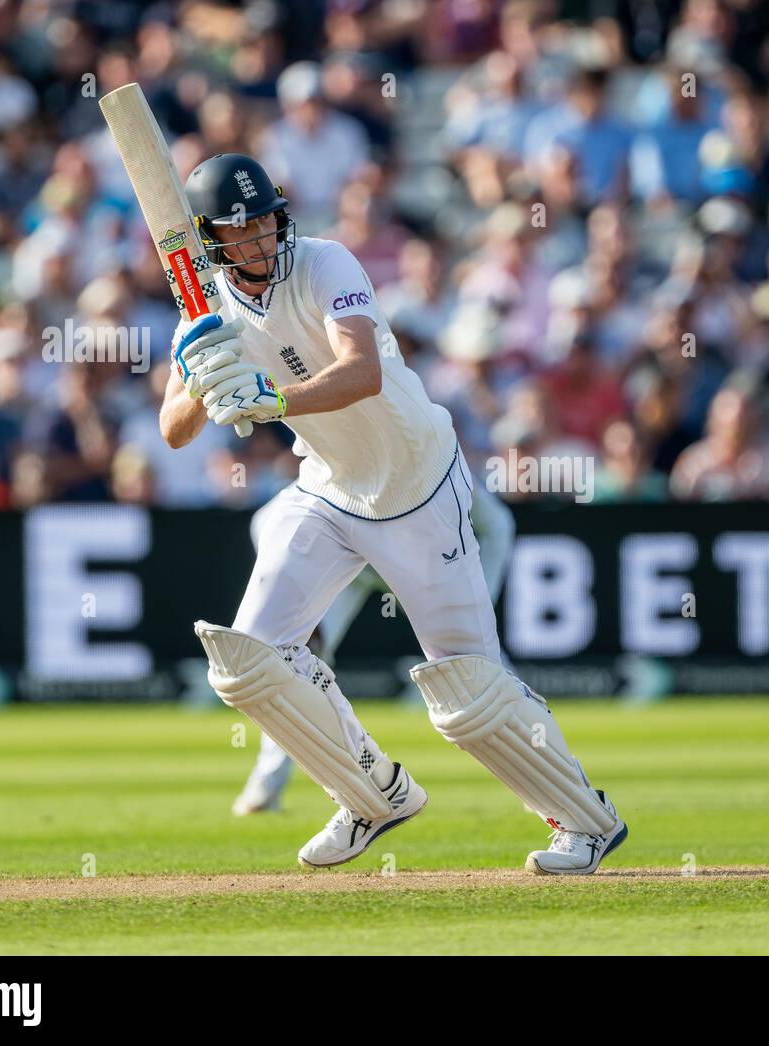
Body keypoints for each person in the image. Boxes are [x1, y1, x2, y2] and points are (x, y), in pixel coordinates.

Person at [166, 152, 626, 875]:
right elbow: (173, 429)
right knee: (248, 662)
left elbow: (362, 370)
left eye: (265, 221)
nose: (259, 238)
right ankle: (371, 795)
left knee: (468, 690)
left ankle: (585, 821)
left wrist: (275, 400)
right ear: (211, 239)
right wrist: (199, 376)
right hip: (328, 488)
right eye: (240, 229)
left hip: (417, 484)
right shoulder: (207, 311)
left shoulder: (327, 263)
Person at [231, 480, 516, 816]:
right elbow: (266, 522)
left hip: (422, 568)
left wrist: (481, 602)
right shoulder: (328, 473)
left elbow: (498, 524)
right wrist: (297, 582)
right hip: (351, 568)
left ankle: (536, 776)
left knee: (478, 662)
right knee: (288, 663)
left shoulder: (438, 466)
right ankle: (267, 784)